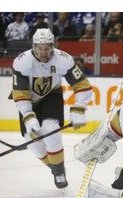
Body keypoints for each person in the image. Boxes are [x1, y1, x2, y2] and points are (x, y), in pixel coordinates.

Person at [10, 28, 93, 189]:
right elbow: (19, 94)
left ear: (53, 46)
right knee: (32, 143)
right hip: (29, 99)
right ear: (33, 46)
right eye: (40, 48)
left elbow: (83, 86)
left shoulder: (64, 59)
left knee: (50, 129)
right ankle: (55, 168)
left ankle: (59, 171)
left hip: (51, 96)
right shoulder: (21, 62)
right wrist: (28, 116)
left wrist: (79, 108)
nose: (43, 52)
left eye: (47, 48)